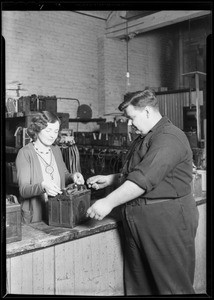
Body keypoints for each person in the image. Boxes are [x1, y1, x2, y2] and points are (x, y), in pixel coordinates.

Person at [86, 89, 199, 295]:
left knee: (173, 287)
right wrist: (111, 179)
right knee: (141, 285)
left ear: (147, 111)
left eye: (132, 118)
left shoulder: (169, 137)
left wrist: (108, 201)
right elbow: (137, 171)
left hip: (166, 220)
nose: (130, 124)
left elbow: (144, 179)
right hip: (140, 219)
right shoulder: (145, 136)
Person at [16, 110, 84, 224]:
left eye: (56, 131)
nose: (52, 135)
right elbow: (23, 190)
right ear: (37, 129)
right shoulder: (25, 153)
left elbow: (64, 174)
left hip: (58, 210)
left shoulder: (56, 149)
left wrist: (73, 176)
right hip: (36, 216)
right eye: (48, 130)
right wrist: (43, 187)